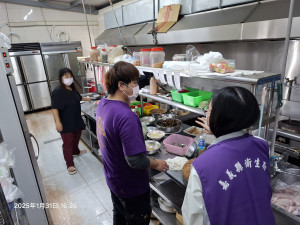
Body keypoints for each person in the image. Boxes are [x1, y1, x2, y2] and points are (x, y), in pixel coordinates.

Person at [182, 86, 276, 225]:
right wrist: (217, 131)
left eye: (208, 110)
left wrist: (217, 130)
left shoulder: (202, 165)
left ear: (218, 117)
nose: (207, 114)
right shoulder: (262, 146)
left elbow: (192, 219)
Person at [96, 61, 169, 225]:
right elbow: (136, 160)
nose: (137, 86)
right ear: (121, 85)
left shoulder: (103, 103)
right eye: (135, 82)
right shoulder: (126, 117)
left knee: (120, 218)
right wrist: (157, 163)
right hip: (131, 187)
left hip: (114, 179)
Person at [51, 68, 91, 175]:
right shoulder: (58, 91)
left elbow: (79, 98)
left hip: (76, 119)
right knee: (67, 143)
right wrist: (57, 122)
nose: (69, 79)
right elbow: (54, 108)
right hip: (65, 122)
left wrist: (89, 99)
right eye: (66, 77)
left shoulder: (72, 88)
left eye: (70, 76)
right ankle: (69, 164)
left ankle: (76, 151)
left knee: (77, 137)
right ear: (61, 78)